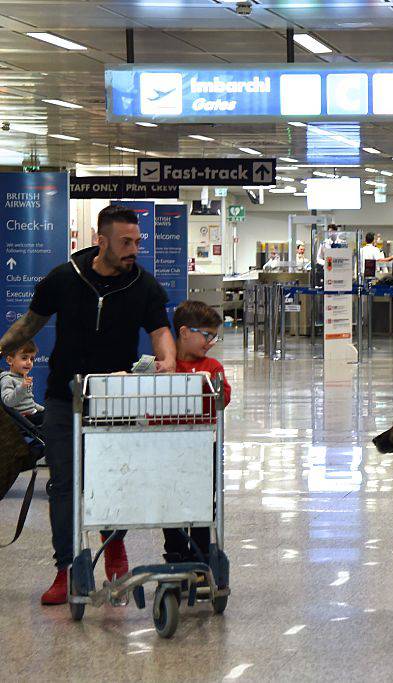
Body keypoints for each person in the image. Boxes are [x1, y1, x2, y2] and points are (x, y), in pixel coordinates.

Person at [0, 204, 176, 606]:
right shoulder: (63, 279)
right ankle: (66, 568)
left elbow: (160, 331)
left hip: (115, 400)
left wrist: (166, 360)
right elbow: (28, 325)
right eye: (125, 242)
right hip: (65, 398)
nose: (134, 249)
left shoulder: (144, 286)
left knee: (113, 478)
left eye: (137, 241)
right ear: (102, 241)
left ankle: (113, 547)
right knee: (62, 485)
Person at [162, 300, 232, 564]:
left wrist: (207, 385)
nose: (210, 342)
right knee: (169, 503)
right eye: (206, 335)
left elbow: (222, 398)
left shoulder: (212, 367)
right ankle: (176, 553)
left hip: (202, 446)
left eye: (214, 336)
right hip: (164, 448)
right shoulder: (163, 366)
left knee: (202, 501)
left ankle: (201, 555)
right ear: (183, 332)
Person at [1, 340, 45, 426]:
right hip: (24, 419)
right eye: (24, 358)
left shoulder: (24, 379)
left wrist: (43, 409)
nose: (29, 362)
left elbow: (28, 402)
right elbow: (8, 402)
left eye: (32, 359)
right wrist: (22, 387)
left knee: (55, 415)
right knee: (56, 419)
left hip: (33, 414)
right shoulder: (7, 379)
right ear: (10, 360)